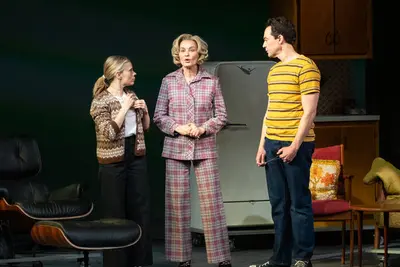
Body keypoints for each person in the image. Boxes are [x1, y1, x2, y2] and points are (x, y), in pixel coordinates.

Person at [153, 34, 232, 267]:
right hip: (176, 148)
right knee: (177, 204)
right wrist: (177, 127)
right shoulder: (168, 81)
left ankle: (221, 258)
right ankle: (181, 259)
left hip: (204, 147)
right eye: (183, 50)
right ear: (177, 55)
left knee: (212, 203)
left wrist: (203, 128)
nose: (186, 54)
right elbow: (159, 116)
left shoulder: (211, 81)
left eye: (191, 50)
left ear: (200, 54)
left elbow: (222, 116)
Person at [252, 17, 321, 267]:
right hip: (272, 143)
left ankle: (302, 258)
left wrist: (294, 146)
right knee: (279, 204)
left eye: (266, 39)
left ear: (280, 39)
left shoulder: (306, 67)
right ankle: (279, 260)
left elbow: (309, 112)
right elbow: (269, 111)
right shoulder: (274, 71)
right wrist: (262, 144)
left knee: (298, 203)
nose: (264, 45)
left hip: (296, 145)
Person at [90, 55, 153, 267]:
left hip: (135, 156)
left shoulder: (131, 94)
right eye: (130, 70)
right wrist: (125, 107)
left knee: (140, 209)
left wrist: (144, 111)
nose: (134, 74)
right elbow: (108, 132)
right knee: (115, 212)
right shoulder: (100, 101)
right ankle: (116, 263)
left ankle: (141, 261)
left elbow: (145, 127)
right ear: (118, 74)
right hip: (112, 162)